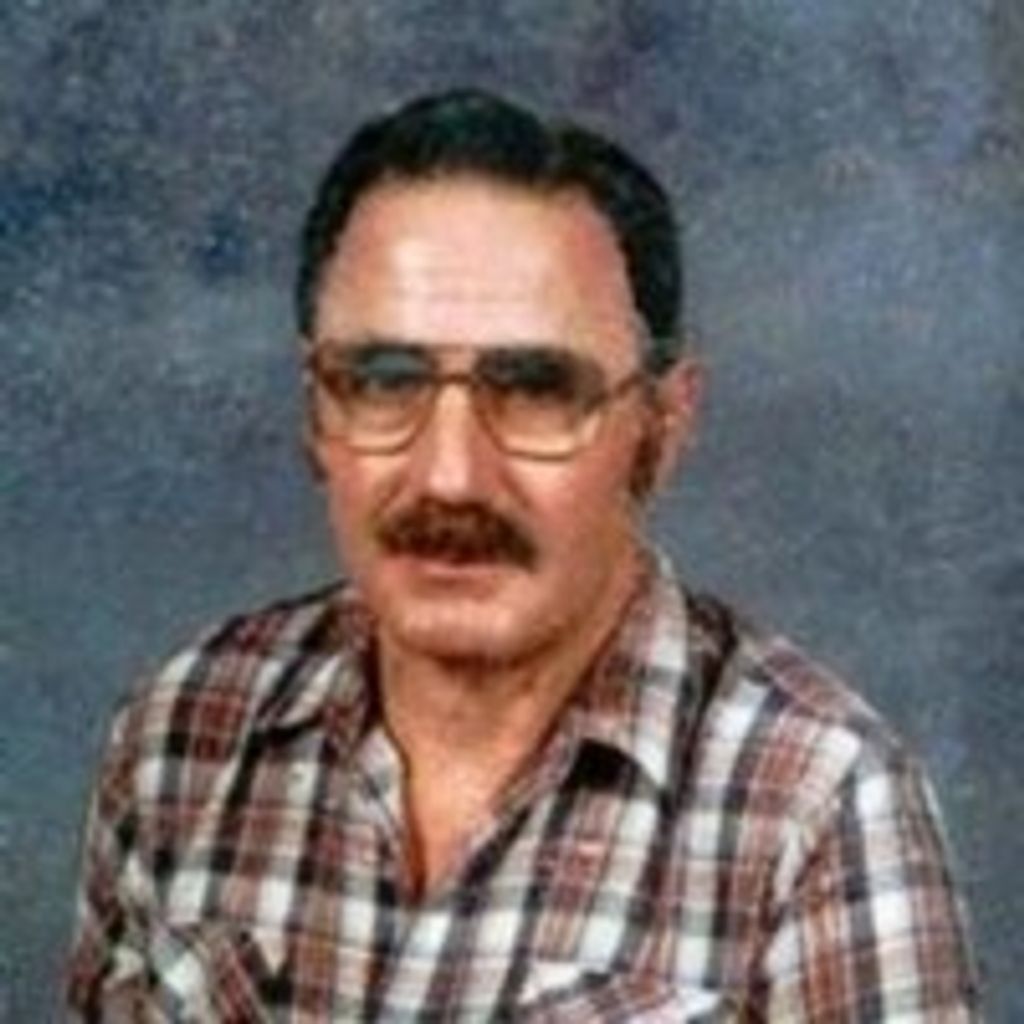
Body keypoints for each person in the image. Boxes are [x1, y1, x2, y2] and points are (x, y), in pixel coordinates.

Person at [67, 89, 980, 1021]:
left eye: (538, 389)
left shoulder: (821, 809)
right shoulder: (183, 733)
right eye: (383, 380)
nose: (451, 477)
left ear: (663, 425)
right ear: (316, 410)